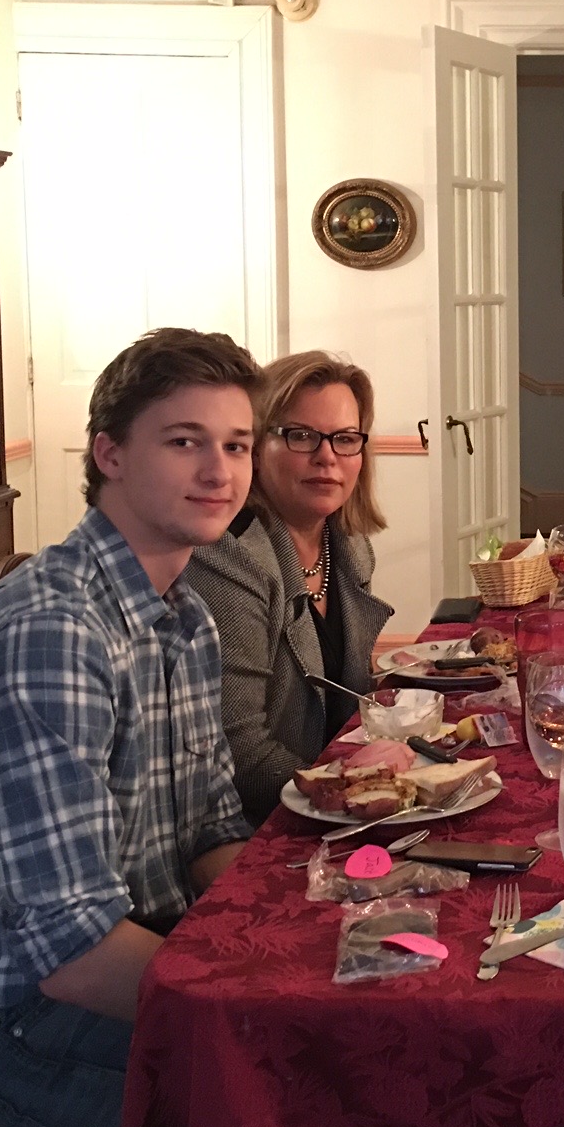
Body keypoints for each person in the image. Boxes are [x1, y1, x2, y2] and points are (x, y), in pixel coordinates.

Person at [0, 328, 463, 1127]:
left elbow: (206, 832)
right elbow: (71, 954)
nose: (220, 470)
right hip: (25, 1034)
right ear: (110, 453)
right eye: (184, 441)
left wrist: (331, 918)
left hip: (152, 949)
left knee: (409, 1030)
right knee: (385, 1111)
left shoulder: (179, 617)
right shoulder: (53, 633)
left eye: (235, 444)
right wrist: (280, 989)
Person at [186, 350, 395, 823]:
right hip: (255, 829)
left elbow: (345, 700)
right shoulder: (231, 559)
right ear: (257, 445)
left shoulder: (349, 546)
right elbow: (240, 756)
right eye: (301, 436)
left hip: (326, 806)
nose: (326, 457)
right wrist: (379, 791)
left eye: (344, 439)